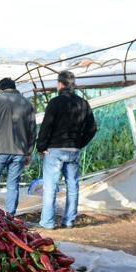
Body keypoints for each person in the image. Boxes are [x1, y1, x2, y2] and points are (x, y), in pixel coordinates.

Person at [36, 70, 96, 229]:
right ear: (73, 85)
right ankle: (68, 221)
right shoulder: (83, 103)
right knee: (72, 186)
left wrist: (41, 147)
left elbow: (46, 126)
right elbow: (92, 128)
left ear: (60, 84)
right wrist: (79, 143)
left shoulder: (55, 102)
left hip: (55, 150)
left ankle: (48, 222)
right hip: (73, 150)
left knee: (50, 187)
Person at [0, 78, 36, 216]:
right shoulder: (27, 103)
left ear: (0, 89)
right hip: (19, 151)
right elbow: (33, 131)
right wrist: (28, 153)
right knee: (13, 185)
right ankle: (11, 216)